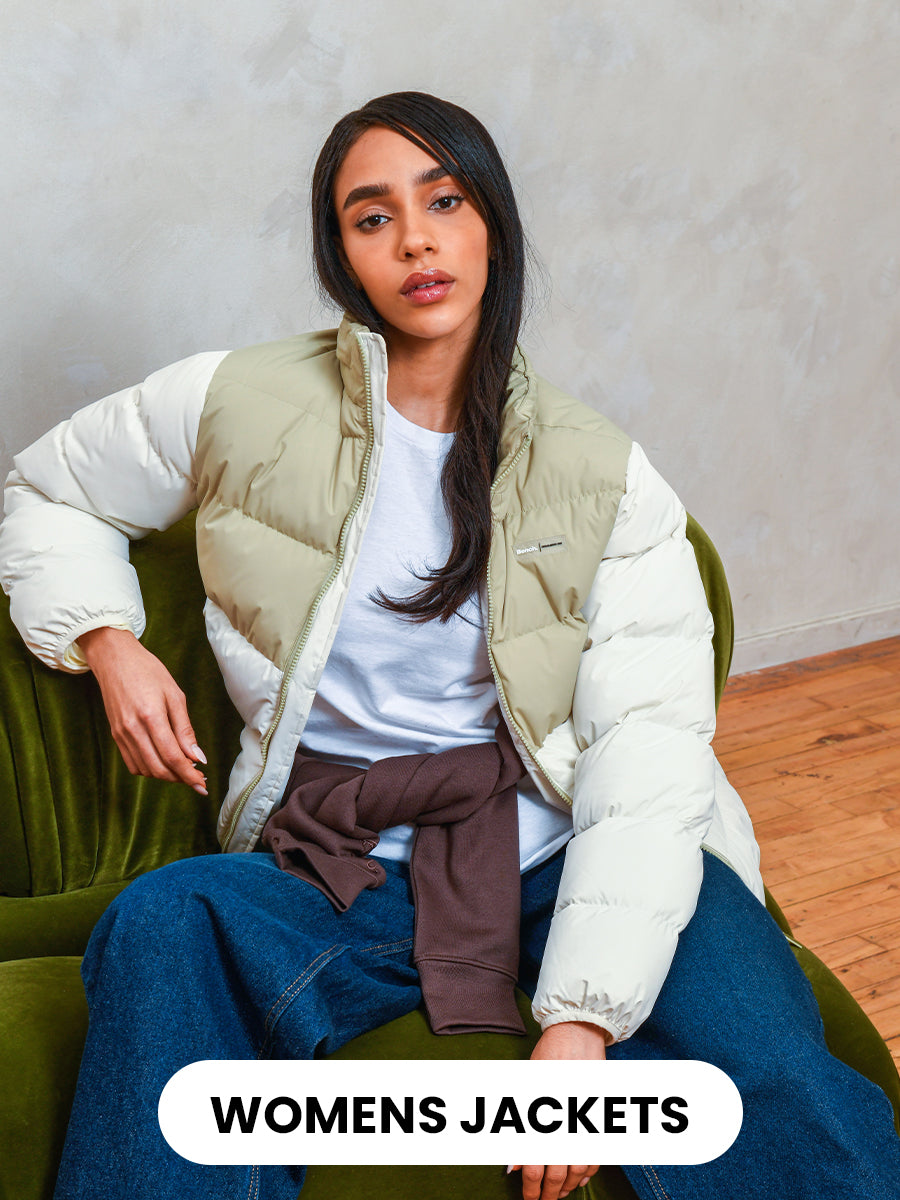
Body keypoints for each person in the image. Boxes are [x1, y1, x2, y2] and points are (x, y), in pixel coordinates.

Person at [1, 91, 897, 1200]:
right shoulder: (234, 401)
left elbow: (648, 749)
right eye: (372, 217)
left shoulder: (605, 475)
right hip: (346, 865)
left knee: (783, 1087)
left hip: (569, 846)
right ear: (340, 254)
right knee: (162, 922)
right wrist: (107, 640)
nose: (415, 241)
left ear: (492, 227)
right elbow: (48, 489)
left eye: (445, 202)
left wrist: (582, 1023)